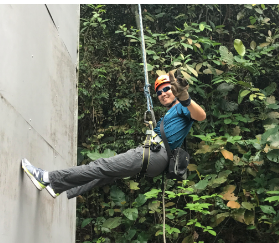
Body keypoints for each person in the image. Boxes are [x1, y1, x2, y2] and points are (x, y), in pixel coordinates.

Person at [21, 69, 206, 198]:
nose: (163, 94)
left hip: (155, 154)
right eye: (159, 92)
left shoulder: (182, 107)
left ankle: (46, 178)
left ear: (174, 91)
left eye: (167, 89)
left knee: (102, 165)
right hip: (155, 158)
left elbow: (201, 116)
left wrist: (185, 97)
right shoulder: (169, 113)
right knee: (106, 174)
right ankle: (58, 187)